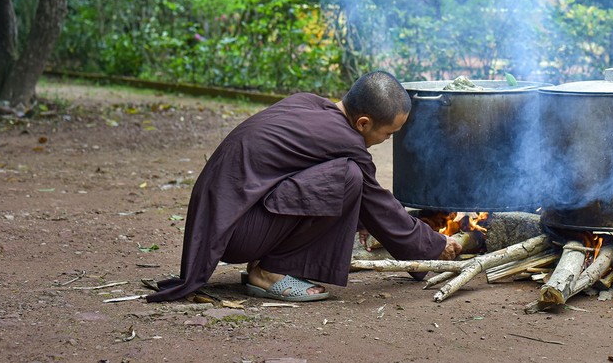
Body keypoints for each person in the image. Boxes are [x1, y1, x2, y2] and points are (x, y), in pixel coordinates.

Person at [147, 70, 462, 303]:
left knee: (349, 179)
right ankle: (268, 272)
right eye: (389, 133)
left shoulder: (308, 103)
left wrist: (369, 223)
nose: (387, 140)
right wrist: (435, 246)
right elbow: (378, 203)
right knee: (349, 178)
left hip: (224, 221)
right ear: (363, 123)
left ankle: (265, 263)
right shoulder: (347, 141)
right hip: (232, 234)